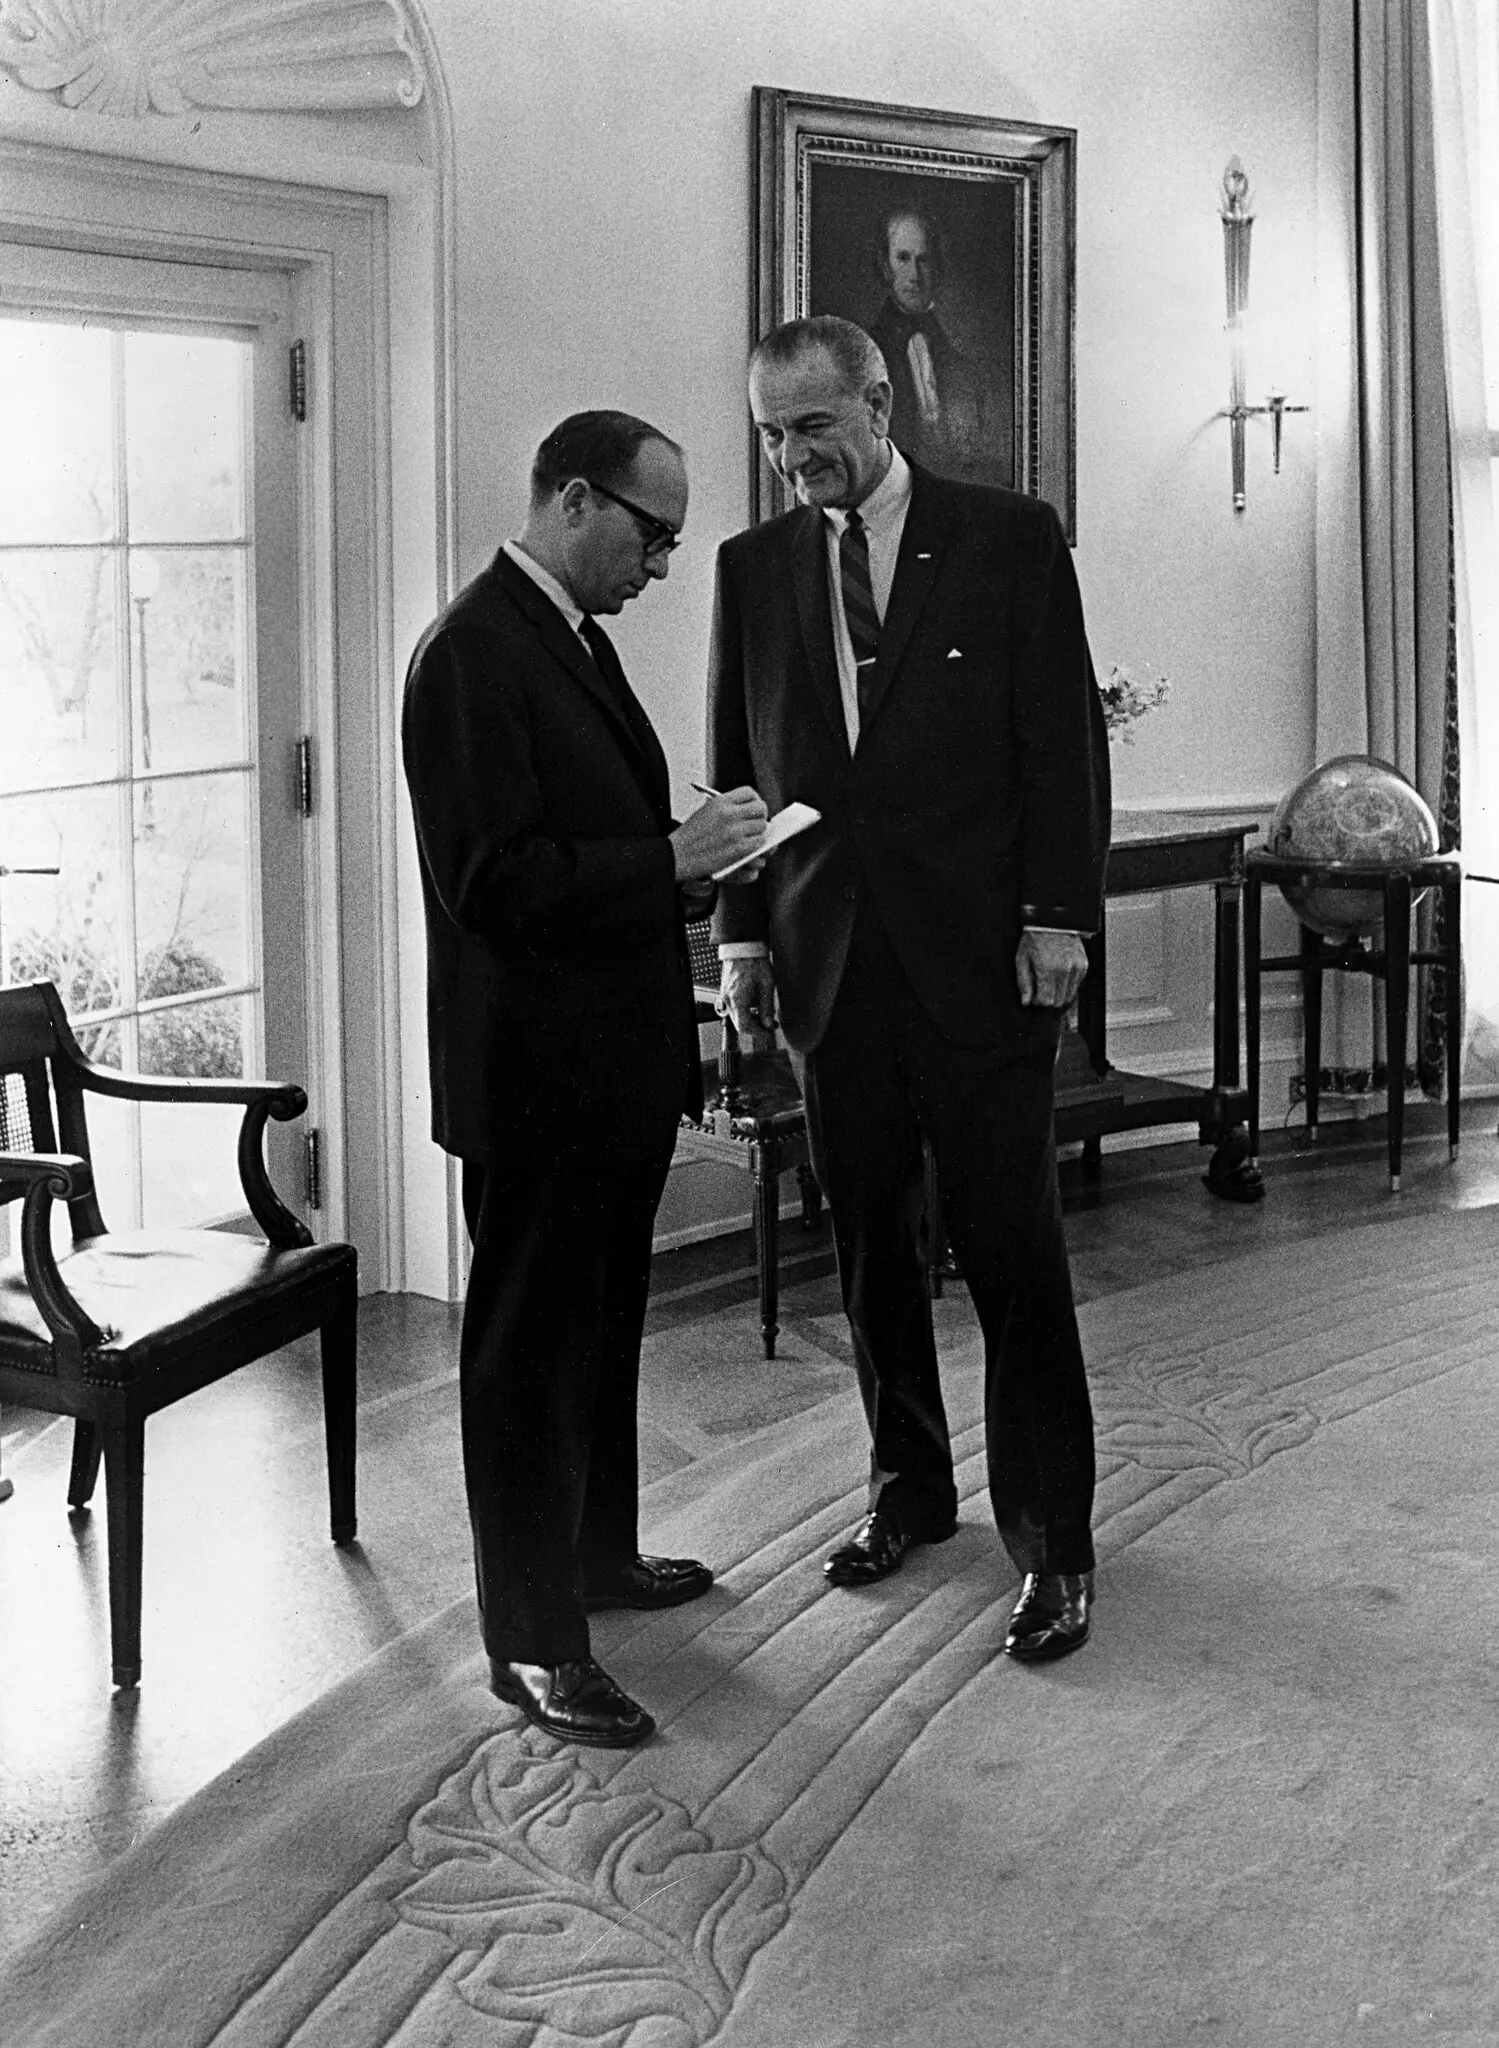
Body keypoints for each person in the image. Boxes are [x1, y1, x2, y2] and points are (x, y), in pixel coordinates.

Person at [708, 316, 1109, 1661]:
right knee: (873, 1253)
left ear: (878, 404)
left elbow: (1058, 742)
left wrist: (1058, 915)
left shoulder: (1002, 538)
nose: (788, 458)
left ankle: (1052, 1546)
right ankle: (906, 1493)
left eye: (811, 427)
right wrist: (744, 944)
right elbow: (738, 777)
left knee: (1011, 1258)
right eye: (770, 434)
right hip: (831, 973)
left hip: (985, 965)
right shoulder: (751, 568)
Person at [402, 410, 767, 1745]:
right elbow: (486, 884)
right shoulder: (467, 656)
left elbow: (586, 853)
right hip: (533, 1087)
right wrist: (670, 863)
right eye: (648, 533)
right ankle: (532, 1643)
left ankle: (597, 1562)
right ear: (570, 499)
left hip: (605, 1073)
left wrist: (682, 865)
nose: (660, 564)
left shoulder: (571, 641)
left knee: (600, 1339)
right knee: (522, 1364)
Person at [868, 205, 1012, 489]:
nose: (914, 275)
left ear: (937, 267)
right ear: (886, 266)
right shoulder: (868, 354)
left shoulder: (960, 361)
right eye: (903, 259)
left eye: (924, 260)